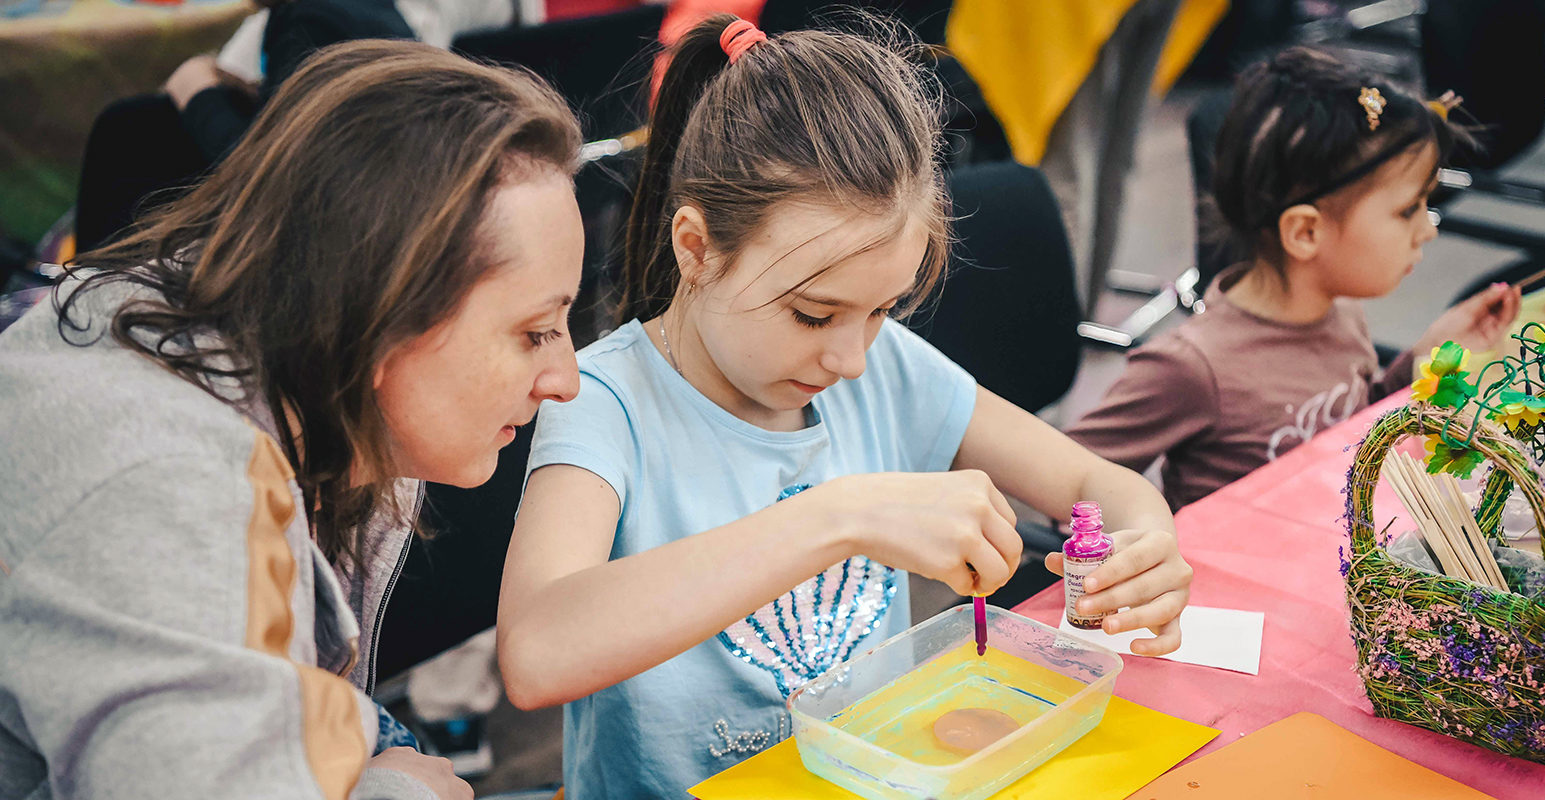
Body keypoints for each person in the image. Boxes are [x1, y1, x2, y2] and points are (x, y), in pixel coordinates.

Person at [497, 16, 1192, 798]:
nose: (851, 358)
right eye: (813, 315)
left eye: (881, 310)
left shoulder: (880, 365)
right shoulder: (603, 403)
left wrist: (1146, 547)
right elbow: (536, 652)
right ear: (697, 250)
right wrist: (838, 515)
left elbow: (1106, 489)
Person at [0, 40, 586, 799]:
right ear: (382, 316)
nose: (565, 379)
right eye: (535, 331)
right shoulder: (158, 486)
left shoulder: (296, 381)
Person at [1068, 46, 1522, 510]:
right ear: (1305, 232)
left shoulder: (1340, 310)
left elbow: (1352, 420)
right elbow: (1067, 475)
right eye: (1408, 210)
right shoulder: (1194, 367)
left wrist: (1422, 359)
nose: (1428, 228)